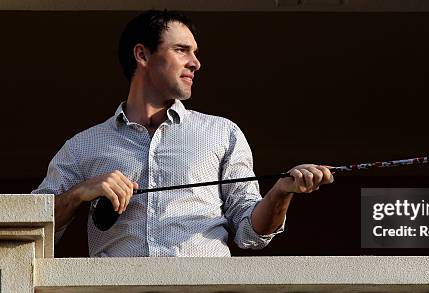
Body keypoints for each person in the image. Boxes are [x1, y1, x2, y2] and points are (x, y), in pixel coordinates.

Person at [32, 10, 334, 257]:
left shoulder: (222, 133)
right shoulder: (82, 146)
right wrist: (77, 194)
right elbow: (29, 229)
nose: (196, 63)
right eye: (181, 50)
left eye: (195, 53)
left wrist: (281, 193)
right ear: (143, 55)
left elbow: (249, 233)